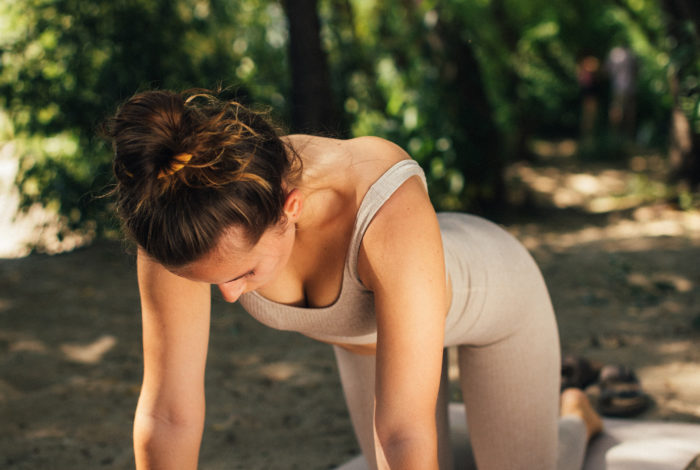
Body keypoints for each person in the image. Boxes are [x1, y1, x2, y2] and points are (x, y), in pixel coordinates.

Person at [106, 89, 601, 470]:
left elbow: (402, 432)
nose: (231, 295)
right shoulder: (177, 215)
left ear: (290, 208)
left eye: (244, 273)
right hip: (374, 342)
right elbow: (168, 413)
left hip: (497, 300)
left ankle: (574, 415)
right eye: (217, 284)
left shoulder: (378, 194)